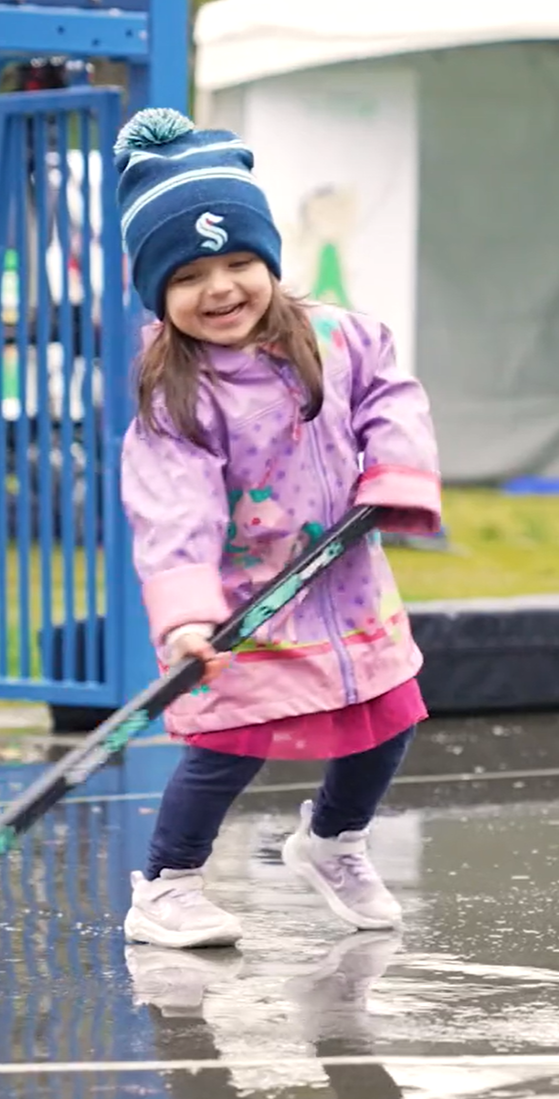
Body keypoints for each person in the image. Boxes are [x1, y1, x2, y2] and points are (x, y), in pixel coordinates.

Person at [113, 108, 442, 950]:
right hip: (246, 601)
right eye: (188, 277)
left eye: (237, 263)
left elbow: (389, 396)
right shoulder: (175, 399)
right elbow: (171, 507)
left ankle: (333, 840)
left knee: (390, 712)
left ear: (269, 259)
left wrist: (395, 472)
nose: (219, 289)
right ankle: (167, 885)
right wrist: (188, 616)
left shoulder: (336, 337)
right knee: (230, 740)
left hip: (347, 582)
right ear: (158, 292)